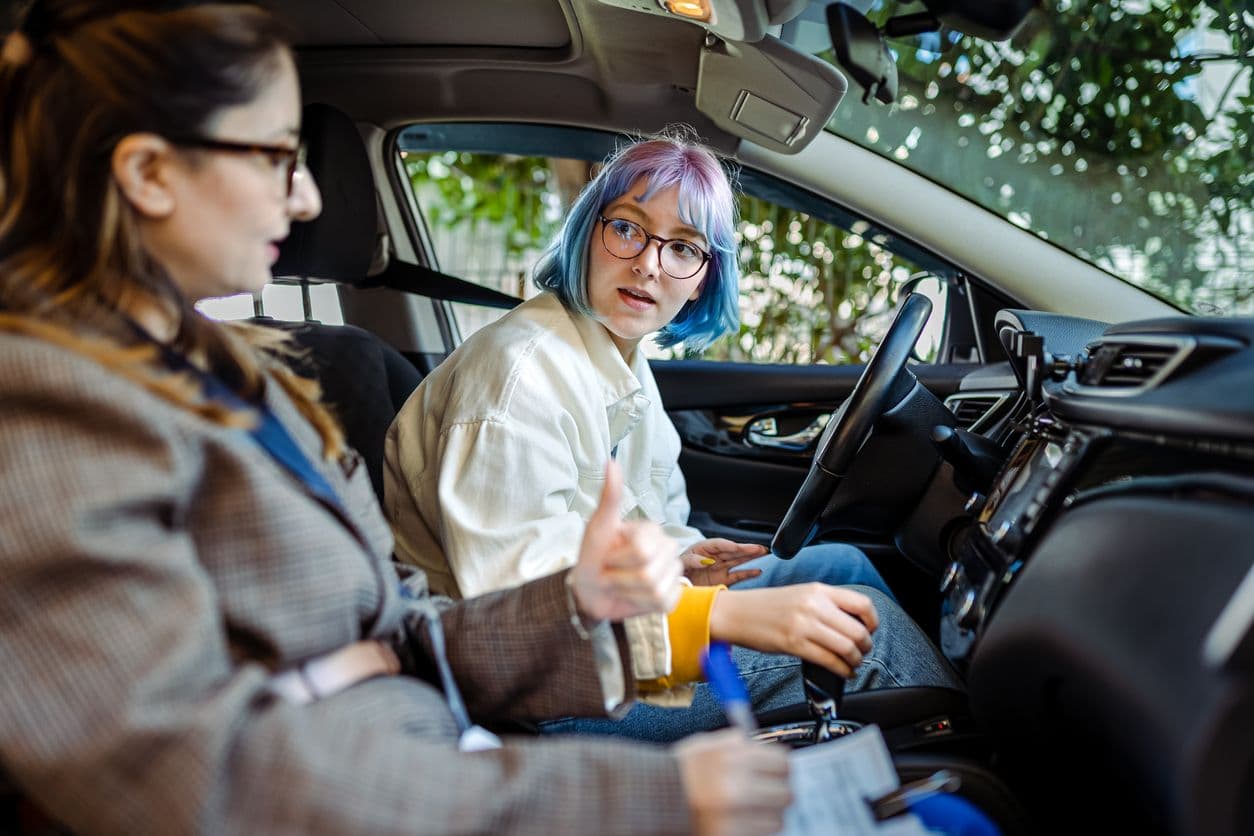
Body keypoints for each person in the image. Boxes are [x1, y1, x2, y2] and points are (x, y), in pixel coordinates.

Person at [0, 4, 793, 833]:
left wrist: (580, 602)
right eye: (277, 158)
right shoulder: (48, 407)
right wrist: (651, 797)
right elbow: (191, 778)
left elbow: (409, 631)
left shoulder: (232, 371)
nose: (305, 195)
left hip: (421, 751)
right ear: (149, 173)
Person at [384, 135, 961, 741]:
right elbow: (523, 615)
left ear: (704, 276)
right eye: (629, 229)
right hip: (536, 689)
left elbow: (639, 518)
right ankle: (975, 777)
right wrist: (716, 613)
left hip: (606, 626)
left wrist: (682, 564)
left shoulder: (620, 359)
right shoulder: (517, 378)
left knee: (845, 566)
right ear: (588, 231)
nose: (649, 265)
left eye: (682, 246)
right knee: (876, 645)